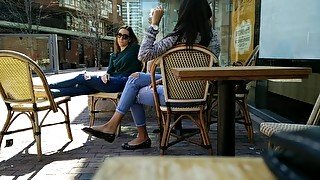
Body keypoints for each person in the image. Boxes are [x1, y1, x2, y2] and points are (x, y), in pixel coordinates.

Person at [82, 0, 221, 150]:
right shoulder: (213, 40)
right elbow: (203, 71)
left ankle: (135, 134)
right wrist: (163, 79)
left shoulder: (175, 38)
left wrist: (154, 24)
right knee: (135, 77)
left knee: (132, 93)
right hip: (200, 94)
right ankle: (114, 126)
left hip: (174, 96)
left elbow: (143, 55)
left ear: (182, 15)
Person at [49, 25, 141, 98]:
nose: (121, 38)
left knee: (82, 77)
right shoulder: (114, 55)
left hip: (124, 82)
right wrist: (106, 76)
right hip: (110, 81)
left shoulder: (134, 48)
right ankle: (52, 93)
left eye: (125, 37)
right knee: (83, 89)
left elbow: (146, 52)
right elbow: (109, 72)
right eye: (119, 35)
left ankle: (50, 86)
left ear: (129, 39)